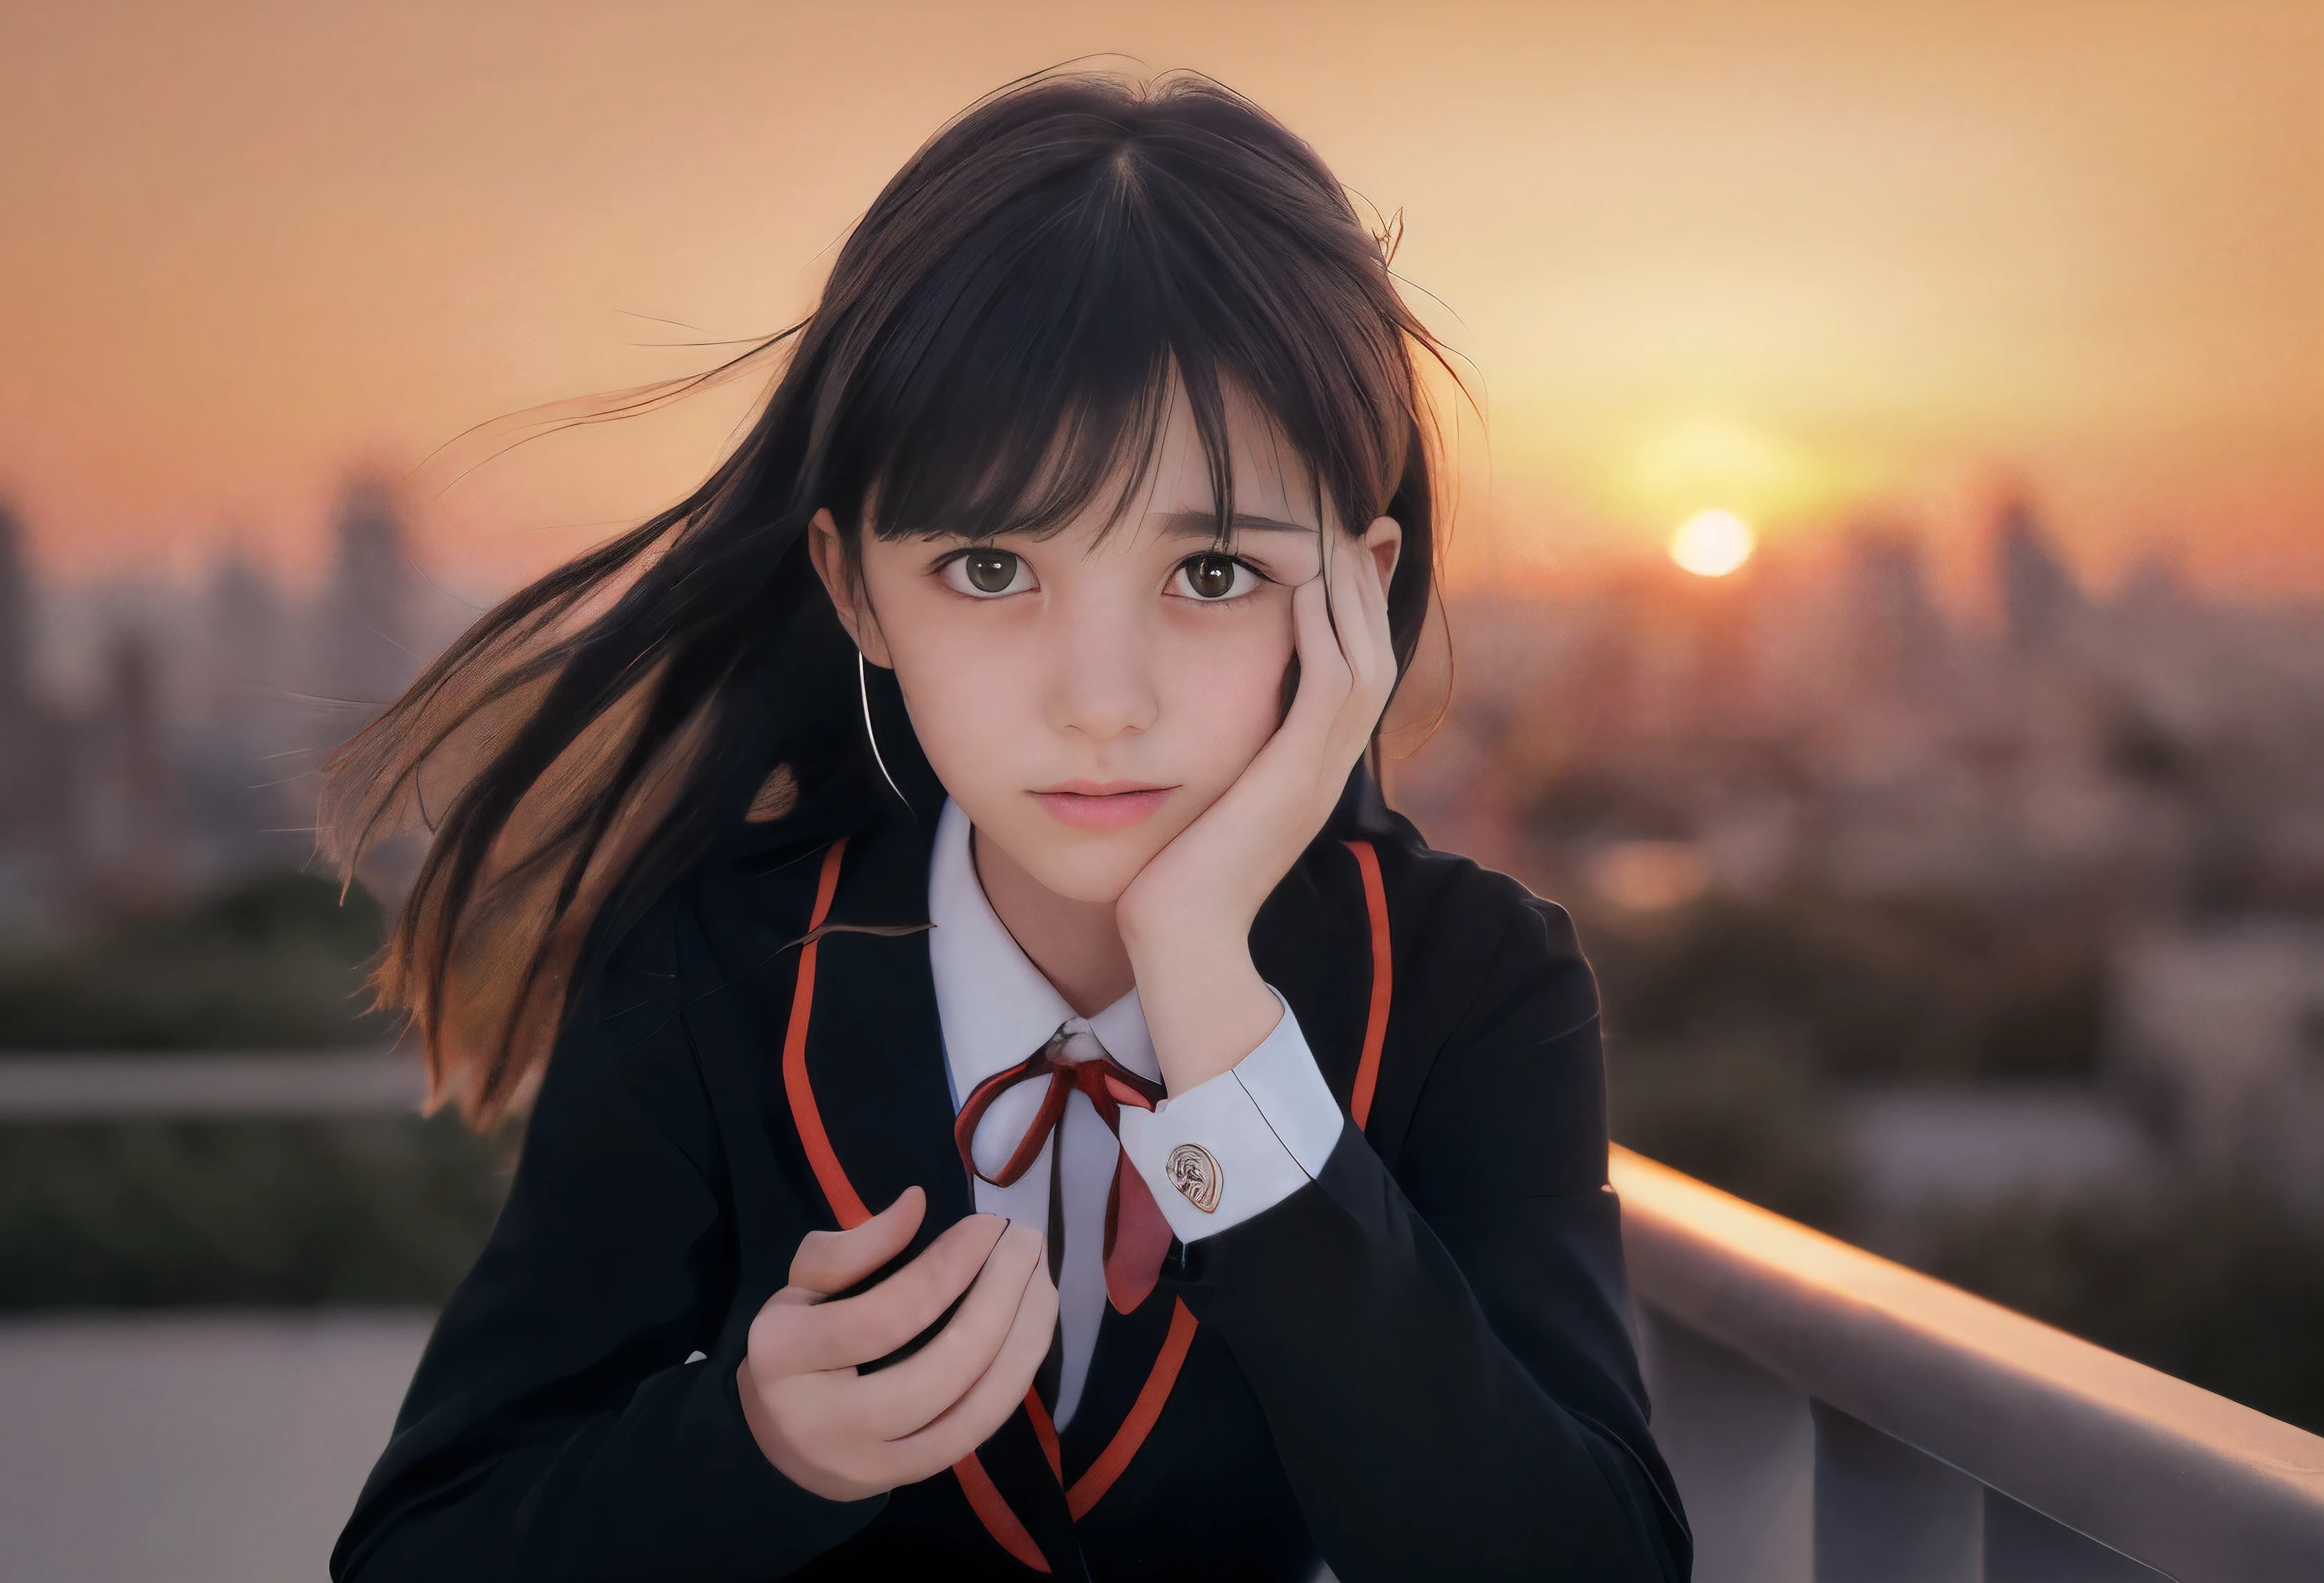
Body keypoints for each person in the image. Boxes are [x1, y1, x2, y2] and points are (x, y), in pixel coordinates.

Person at [322, 68, 1689, 1582]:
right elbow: (416, 1553)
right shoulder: (712, 972)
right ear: (854, 589)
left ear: (1356, 590)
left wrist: (1207, 993)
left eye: (1214, 571)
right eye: (988, 566)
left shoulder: (1467, 982)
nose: (1099, 702)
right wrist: (754, 1454)